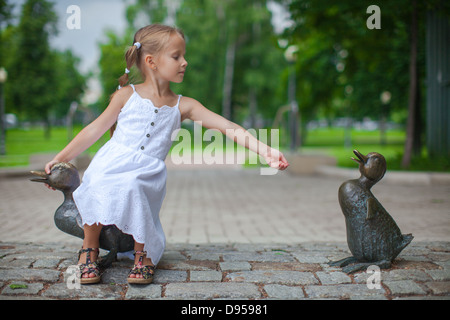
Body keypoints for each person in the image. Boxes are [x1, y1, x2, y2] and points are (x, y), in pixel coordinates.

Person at [44, 24, 289, 285]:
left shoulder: (184, 105)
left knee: (133, 184)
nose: (185, 62)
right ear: (151, 61)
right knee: (97, 180)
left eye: (183, 55)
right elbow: (94, 130)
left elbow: (228, 127)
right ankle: (89, 248)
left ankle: (143, 254)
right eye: (176, 56)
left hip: (147, 170)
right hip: (112, 159)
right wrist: (61, 157)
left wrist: (266, 150)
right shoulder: (126, 95)